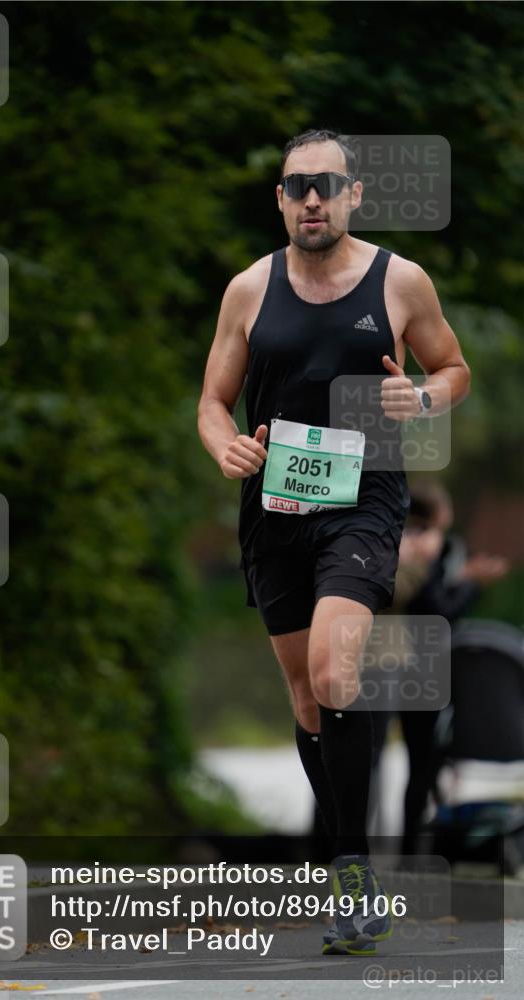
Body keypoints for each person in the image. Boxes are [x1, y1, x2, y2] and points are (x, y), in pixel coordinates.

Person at [197, 128, 471, 955]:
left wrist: (421, 401)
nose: (311, 198)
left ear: (352, 195)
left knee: (334, 667)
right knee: (309, 700)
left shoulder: (399, 281)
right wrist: (225, 446)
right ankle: (344, 855)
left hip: (363, 500)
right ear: (278, 201)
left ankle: (350, 867)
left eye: (326, 184)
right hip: (273, 508)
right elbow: (212, 401)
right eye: (295, 186)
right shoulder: (248, 290)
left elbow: (453, 368)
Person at [370, 481, 509, 856]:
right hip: (409, 664)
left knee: (399, 761)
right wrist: (472, 584)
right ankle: (403, 853)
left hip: (401, 664)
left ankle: (399, 850)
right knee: (409, 761)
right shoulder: (416, 547)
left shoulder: (398, 541)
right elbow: (436, 610)